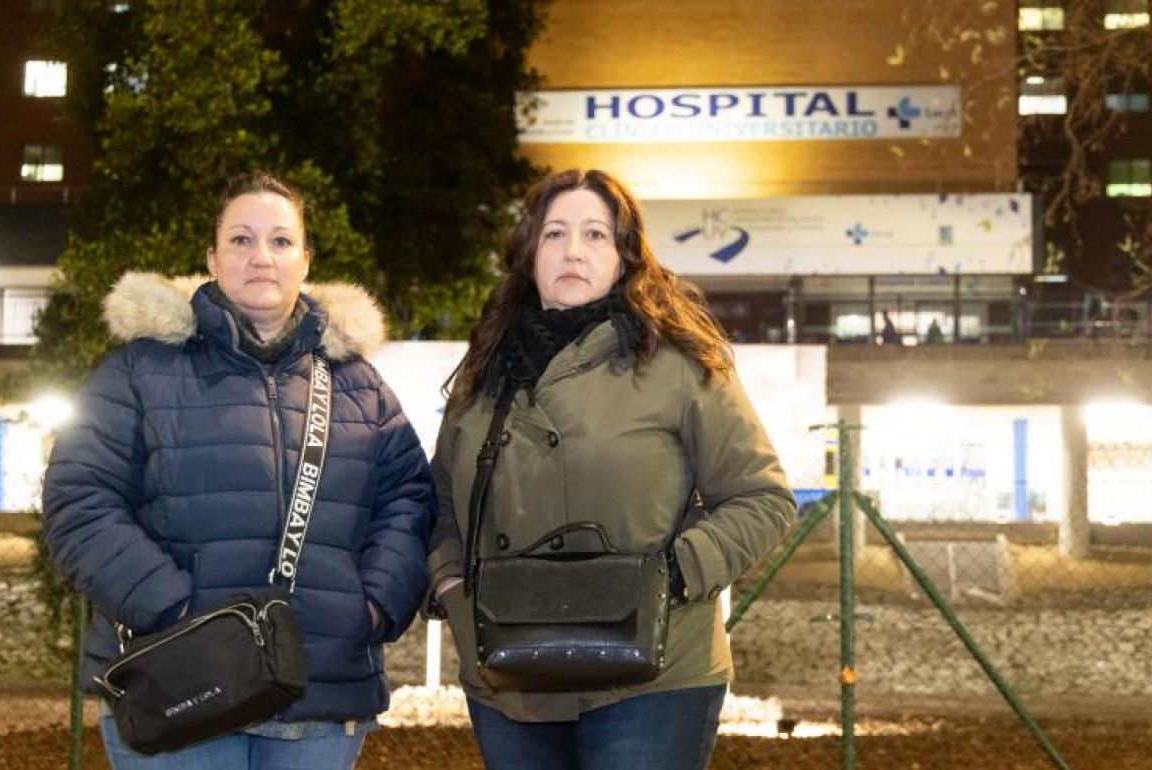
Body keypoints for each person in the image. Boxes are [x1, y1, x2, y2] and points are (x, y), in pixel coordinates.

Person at [42, 171, 435, 770]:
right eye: (241, 240)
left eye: (280, 242)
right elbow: (80, 500)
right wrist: (171, 609)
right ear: (212, 259)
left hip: (320, 696)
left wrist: (372, 606)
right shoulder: (139, 370)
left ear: (305, 260)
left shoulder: (358, 384)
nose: (261, 257)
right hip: (181, 683)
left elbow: (408, 498)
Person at [425, 169, 795, 769]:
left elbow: (763, 499)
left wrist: (670, 578)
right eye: (555, 234)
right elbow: (441, 504)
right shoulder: (485, 370)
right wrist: (453, 587)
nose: (574, 250)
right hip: (508, 671)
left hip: (654, 675)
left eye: (596, 234)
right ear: (529, 254)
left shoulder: (681, 363)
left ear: (624, 257)